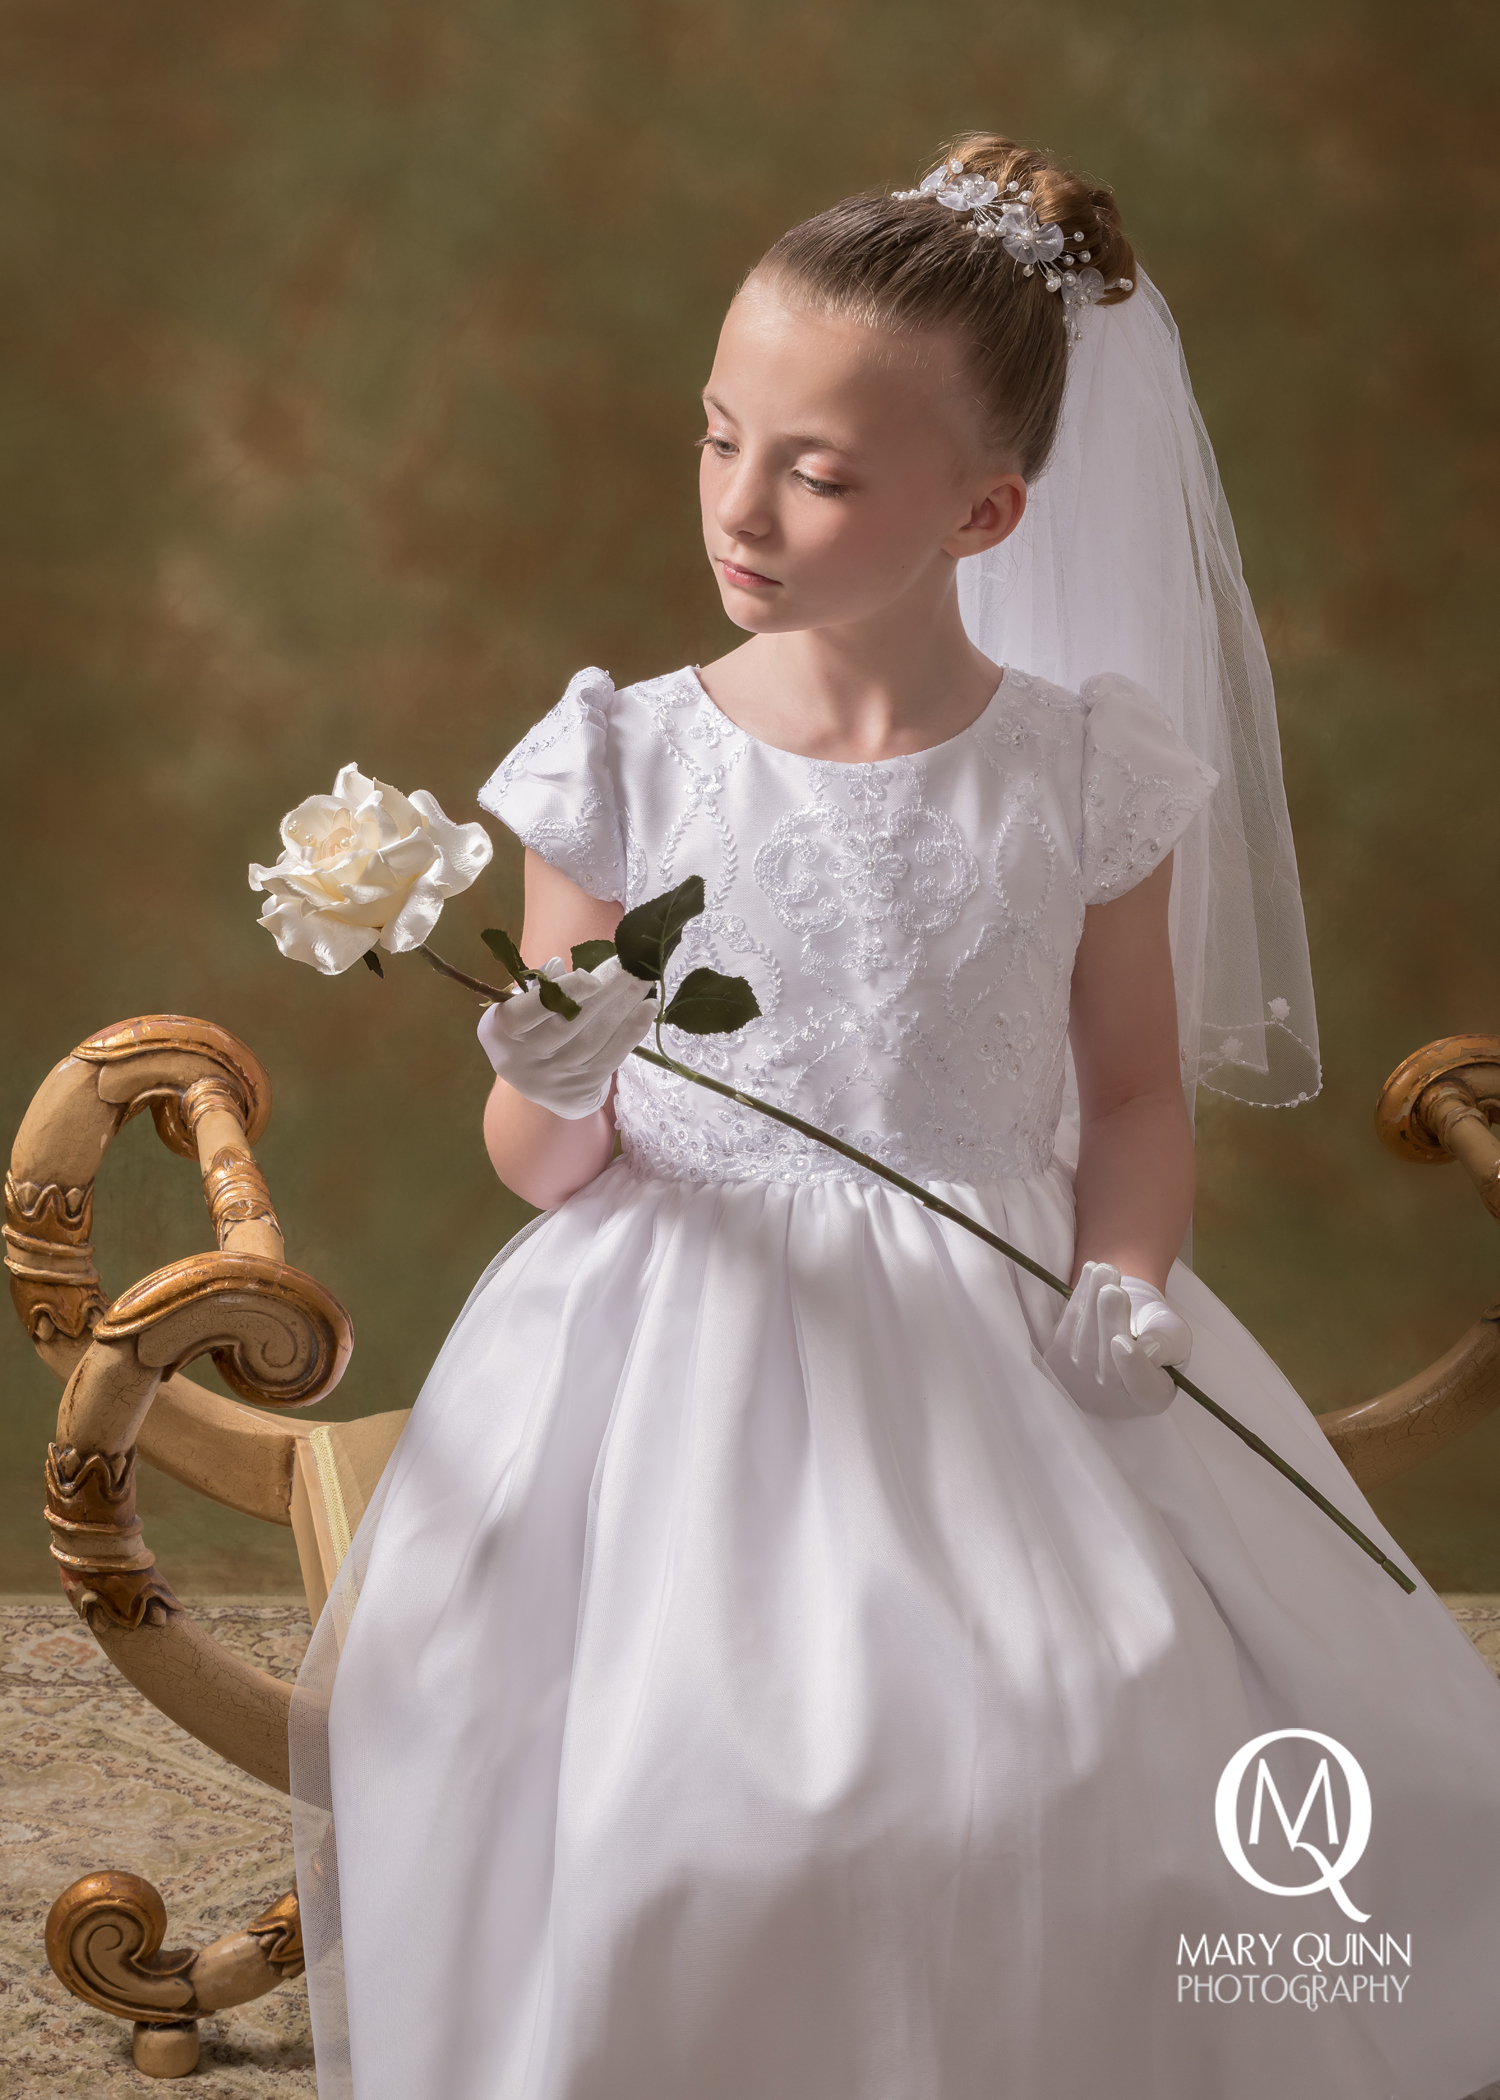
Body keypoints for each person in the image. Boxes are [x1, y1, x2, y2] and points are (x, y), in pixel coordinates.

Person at [291, 133, 1500, 2100]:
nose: (740, 508)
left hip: (999, 1346)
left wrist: (1126, 1270)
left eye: (819, 471)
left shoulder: (1079, 772)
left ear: (987, 507)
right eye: (716, 438)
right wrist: (550, 1082)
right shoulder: (623, 755)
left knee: (1072, 1745)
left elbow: (1122, 1090)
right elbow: (544, 1171)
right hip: (664, 1356)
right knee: (665, 1798)